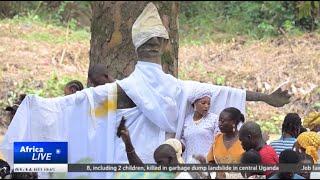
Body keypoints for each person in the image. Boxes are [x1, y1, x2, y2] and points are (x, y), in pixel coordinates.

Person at [1, 2, 291, 179]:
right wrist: (34, 106)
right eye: (150, 39)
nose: (153, 43)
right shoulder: (155, 89)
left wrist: (266, 98)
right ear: (151, 45)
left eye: (156, 38)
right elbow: (75, 105)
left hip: (146, 166)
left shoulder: (151, 89)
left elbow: (74, 108)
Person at [181, 86, 220, 162]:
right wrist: (178, 144)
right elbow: (185, 140)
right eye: (203, 103)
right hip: (189, 162)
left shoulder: (214, 119)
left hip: (207, 162)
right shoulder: (187, 120)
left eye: (209, 104)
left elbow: (219, 140)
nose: (206, 106)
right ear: (194, 103)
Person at [207, 107, 245, 179]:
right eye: (219, 121)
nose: (220, 124)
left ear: (233, 123)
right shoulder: (217, 138)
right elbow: (210, 162)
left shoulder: (244, 139)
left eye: (223, 121)